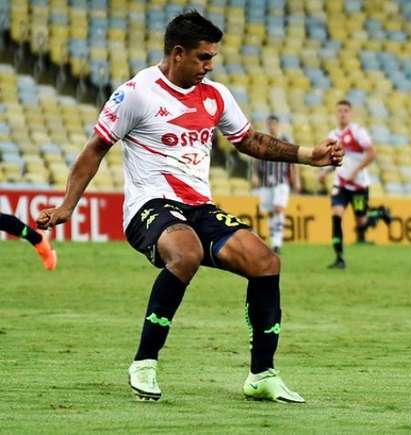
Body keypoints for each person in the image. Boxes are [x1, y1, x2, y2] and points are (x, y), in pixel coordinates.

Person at [36, 11, 343, 403]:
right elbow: (96, 148)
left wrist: (308, 154)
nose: (209, 66)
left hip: (199, 206)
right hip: (149, 205)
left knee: (266, 261)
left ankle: (262, 374)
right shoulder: (137, 92)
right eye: (203, 57)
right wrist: (67, 205)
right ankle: (144, 362)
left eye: (213, 57)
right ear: (177, 53)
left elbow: (249, 140)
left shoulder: (216, 95)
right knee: (187, 253)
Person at [319, 99, 390, 269]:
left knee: (361, 224)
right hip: (341, 184)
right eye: (339, 110)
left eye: (345, 110)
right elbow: (334, 159)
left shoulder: (358, 132)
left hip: (359, 186)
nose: (342, 113)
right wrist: (325, 172)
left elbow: (372, 154)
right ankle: (339, 258)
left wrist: (356, 171)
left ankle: (379, 213)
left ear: (350, 113)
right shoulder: (332, 135)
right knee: (336, 215)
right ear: (336, 113)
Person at [251, 115, 300, 254]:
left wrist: (296, 180)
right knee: (271, 212)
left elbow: (293, 162)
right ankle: (274, 241)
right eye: (269, 124)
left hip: (281, 182)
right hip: (266, 182)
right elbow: (256, 159)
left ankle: (277, 242)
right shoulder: (262, 141)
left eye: (274, 124)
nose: (272, 127)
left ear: (278, 125)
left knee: (279, 208)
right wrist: (254, 175)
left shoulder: (285, 141)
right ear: (267, 126)